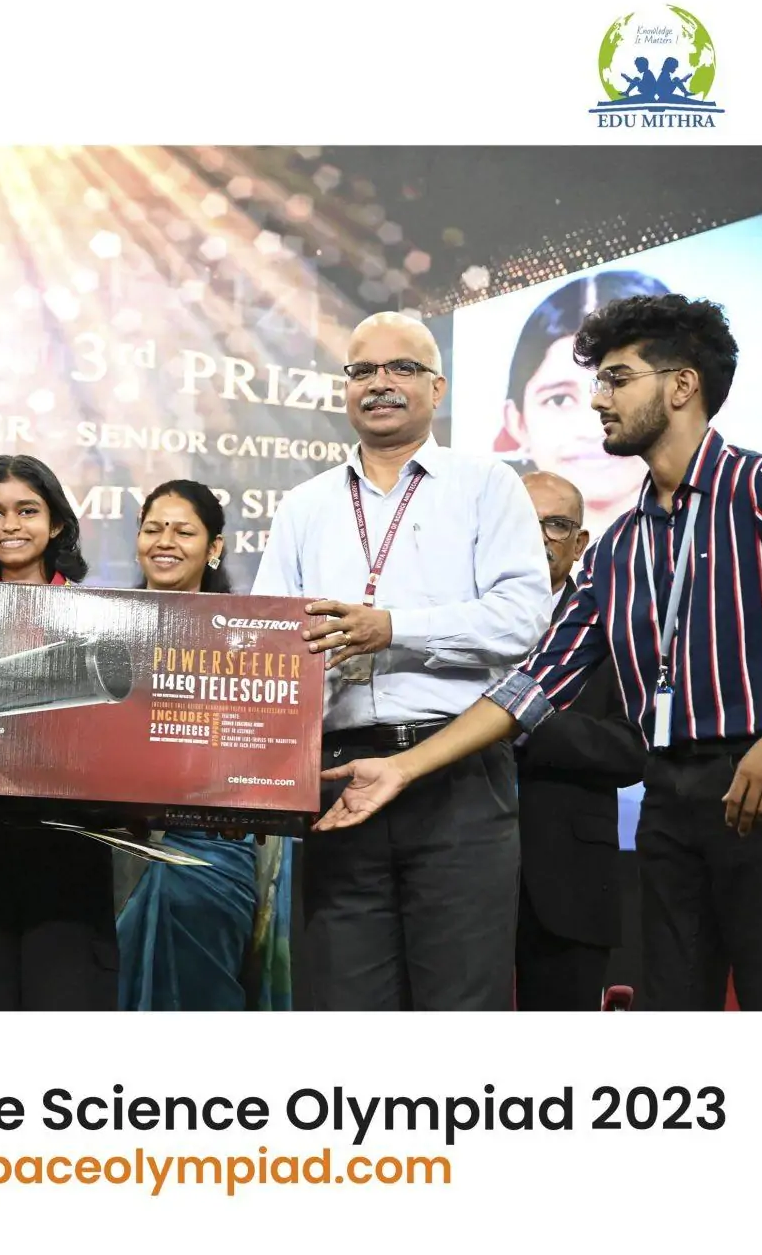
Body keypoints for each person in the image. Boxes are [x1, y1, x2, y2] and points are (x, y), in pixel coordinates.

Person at [320, 293, 762, 1011]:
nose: (599, 400)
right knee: (677, 1018)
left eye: (617, 379)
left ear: (682, 385)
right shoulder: (616, 548)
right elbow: (530, 689)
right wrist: (401, 769)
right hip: (668, 800)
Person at [252, 311, 552, 1011]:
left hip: (456, 773)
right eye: (362, 370)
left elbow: (522, 618)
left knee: (460, 1003)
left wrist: (393, 629)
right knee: (345, 1004)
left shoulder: (487, 484)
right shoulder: (304, 506)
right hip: (336, 777)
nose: (379, 383)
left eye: (401, 368)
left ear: (437, 387)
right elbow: (267, 642)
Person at [0, 454, 118, 1010]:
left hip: (72, 855)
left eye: (27, 510)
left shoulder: (101, 621)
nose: (10, 525)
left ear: (55, 522)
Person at [115, 479, 292, 1011]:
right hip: (113, 848)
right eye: (153, 529)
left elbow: (266, 752)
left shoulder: (249, 642)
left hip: (211, 853)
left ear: (214, 546)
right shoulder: (103, 632)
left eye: (183, 531)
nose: (165, 542)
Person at [514, 472, 647, 1010]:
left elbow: (635, 747)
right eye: (523, 522)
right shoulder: (457, 619)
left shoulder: (619, 628)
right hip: (456, 874)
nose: (538, 537)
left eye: (555, 524)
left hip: (570, 879)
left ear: (579, 543)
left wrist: (521, 722)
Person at [502, 271, 670, 541]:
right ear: (517, 423)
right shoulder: (492, 546)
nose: (593, 429)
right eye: (559, 399)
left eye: (620, 387)